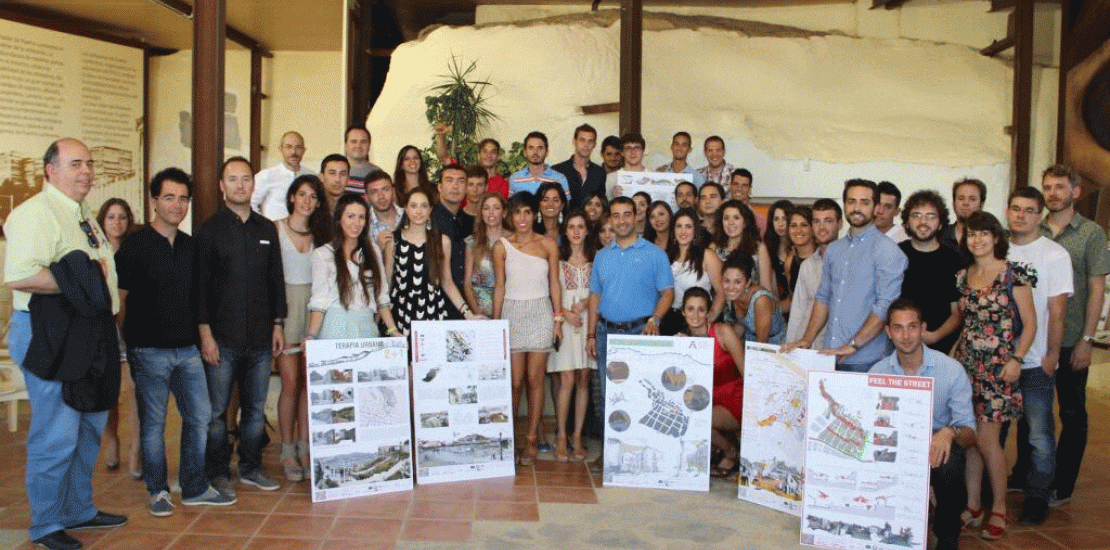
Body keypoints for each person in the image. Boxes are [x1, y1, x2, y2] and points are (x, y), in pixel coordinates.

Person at [4, 138, 128, 550]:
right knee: (56, 433)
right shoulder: (34, 213)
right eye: (76, 164)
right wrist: (84, 283)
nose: (87, 171)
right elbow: (20, 275)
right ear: (50, 170)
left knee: (90, 425)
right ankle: (45, 523)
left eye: (90, 164)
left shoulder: (83, 214)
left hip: (90, 332)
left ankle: (78, 508)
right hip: (50, 333)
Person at [117, 168, 237, 517]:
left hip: (187, 351)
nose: (177, 204)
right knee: (153, 425)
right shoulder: (134, 247)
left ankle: (194, 485)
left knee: (199, 417)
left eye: (183, 198)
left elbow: (200, 298)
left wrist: (204, 339)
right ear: (154, 201)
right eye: (169, 197)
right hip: (148, 351)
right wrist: (129, 347)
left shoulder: (191, 245)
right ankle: (158, 490)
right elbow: (121, 301)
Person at [197, 156, 287, 496]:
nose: (240, 185)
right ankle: (217, 471)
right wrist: (205, 334)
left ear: (254, 183)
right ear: (222, 186)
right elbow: (200, 289)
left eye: (245, 178)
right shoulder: (208, 230)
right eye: (232, 179)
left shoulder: (266, 229)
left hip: (261, 339)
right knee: (217, 413)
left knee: (254, 409)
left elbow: (276, 280)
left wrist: (278, 324)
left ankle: (251, 467)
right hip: (222, 339)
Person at [952, 211, 1035, 541]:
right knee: (971, 440)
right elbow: (967, 322)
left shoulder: (1014, 275)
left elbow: (1030, 325)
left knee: (989, 441)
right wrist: (955, 350)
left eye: (984, 233)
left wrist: (1017, 358)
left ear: (996, 237)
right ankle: (973, 505)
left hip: (1000, 368)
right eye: (972, 234)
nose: (978, 239)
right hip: (967, 367)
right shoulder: (963, 276)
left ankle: (998, 507)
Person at [869, 299, 976, 550]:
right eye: (898, 328)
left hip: (933, 447)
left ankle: (947, 536)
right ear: (888, 332)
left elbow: (971, 434)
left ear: (923, 328)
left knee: (953, 459)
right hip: (892, 448)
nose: (906, 336)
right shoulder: (877, 372)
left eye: (913, 327)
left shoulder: (951, 370)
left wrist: (949, 432)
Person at [1039, 164, 1110, 507]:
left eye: (1060, 187)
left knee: (1071, 414)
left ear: (1075, 192)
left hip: (1071, 340)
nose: (1052, 193)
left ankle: (1062, 484)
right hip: (1036, 340)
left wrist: (1087, 339)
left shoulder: (1090, 233)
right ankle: (1031, 475)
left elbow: (1097, 289)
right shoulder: (1032, 228)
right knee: (1033, 414)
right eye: (1048, 187)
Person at [586, 197, 674, 472]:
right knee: (607, 396)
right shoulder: (602, 255)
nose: (622, 220)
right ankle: (609, 452)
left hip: (640, 333)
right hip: (605, 333)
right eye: (616, 215)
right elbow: (594, 295)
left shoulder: (654, 253)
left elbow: (668, 292)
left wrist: (655, 319)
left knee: (640, 396)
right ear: (609, 220)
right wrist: (590, 333)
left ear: (637, 217)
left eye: (627, 214)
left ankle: (641, 454)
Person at [783, 180, 907, 373]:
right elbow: (823, 298)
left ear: (875, 207)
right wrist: (807, 339)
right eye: (851, 201)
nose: (857, 208)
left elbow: (886, 306)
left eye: (864, 202)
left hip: (868, 360)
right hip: (830, 355)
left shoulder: (888, 251)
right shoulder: (834, 250)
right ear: (845, 205)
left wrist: (855, 344)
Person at [1004, 186, 1073, 525]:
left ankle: (1037, 495)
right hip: (997, 362)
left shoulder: (1054, 254)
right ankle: (993, 490)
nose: (1021, 215)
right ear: (1007, 212)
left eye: (1029, 210)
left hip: (1034, 360)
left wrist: (1052, 354)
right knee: (994, 430)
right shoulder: (995, 248)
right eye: (1016, 208)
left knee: (1039, 434)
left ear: (1040, 215)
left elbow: (1057, 311)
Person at [493, 192, 562, 466]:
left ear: (535, 214)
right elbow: (499, 286)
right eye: (517, 212)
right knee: (513, 383)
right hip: (511, 313)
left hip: (541, 314)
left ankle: (532, 440)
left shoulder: (548, 245)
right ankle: (507, 440)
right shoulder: (501, 246)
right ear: (510, 216)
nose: (522, 218)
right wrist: (497, 324)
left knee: (535, 381)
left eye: (527, 212)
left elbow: (554, 283)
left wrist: (557, 319)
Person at [273, 175, 331, 482]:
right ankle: (287, 449)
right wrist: (275, 321)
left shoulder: (323, 234)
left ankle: (307, 447)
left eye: (313, 197)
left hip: (315, 311)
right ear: (292, 197)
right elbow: (268, 280)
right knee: (291, 382)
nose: (307, 201)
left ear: (319, 203)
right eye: (302, 195)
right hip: (285, 311)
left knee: (310, 384)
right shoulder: (275, 229)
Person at [384, 187, 482, 334]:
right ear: (406, 208)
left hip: (433, 317)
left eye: (424, 206)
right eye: (413, 206)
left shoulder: (442, 241)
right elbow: (385, 285)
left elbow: (447, 282)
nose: (419, 211)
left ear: (430, 209)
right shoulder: (393, 241)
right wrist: (390, 327)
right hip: (400, 318)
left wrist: (468, 315)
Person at [306, 194, 397, 341]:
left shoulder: (372, 251)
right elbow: (319, 301)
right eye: (350, 216)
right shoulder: (323, 254)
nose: (356, 222)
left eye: (361, 217)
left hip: (367, 326)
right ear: (339, 219)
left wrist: (393, 331)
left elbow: (381, 296)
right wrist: (311, 336)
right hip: (335, 327)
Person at [678, 286, 746, 477]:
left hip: (734, 396)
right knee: (685, 414)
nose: (696, 315)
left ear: (708, 313)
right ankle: (723, 447)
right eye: (690, 309)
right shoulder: (682, 339)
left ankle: (731, 451)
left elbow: (746, 372)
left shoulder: (723, 332)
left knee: (697, 418)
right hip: (707, 399)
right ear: (683, 312)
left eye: (701, 309)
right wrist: (678, 351)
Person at [547, 210, 598, 462]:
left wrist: (587, 303)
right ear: (565, 231)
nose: (576, 231)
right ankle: (561, 435)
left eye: (581, 226)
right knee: (566, 378)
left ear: (587, 230)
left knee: (584, 377)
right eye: (571, 226)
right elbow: (548, 294)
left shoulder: (596, 261)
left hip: (589, 323)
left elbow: (601, 292)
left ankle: (577, 436)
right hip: (564, 323)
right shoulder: (557, 261)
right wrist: (564, 312)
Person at [96, 198, 141, 479]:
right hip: (103, 327)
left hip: (133, 325)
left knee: (135, 389)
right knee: (108, 390)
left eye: (122, 217)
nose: (117, 222)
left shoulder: (136, 250)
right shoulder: (92, 251)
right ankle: (111, 439)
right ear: (102, 221)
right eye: (111, 216)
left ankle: (137, 448)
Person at [896, 190, 962, 355]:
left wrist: (934, 336)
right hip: (900, 348)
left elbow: (958, 312)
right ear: (906, 222)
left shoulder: (953, 259)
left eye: (931, 216)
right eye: (916, 215)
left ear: (941, 223)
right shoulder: (895, 254)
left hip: (941, 349)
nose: (923, 221)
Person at [785, 199, 840, 344]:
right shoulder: (807, 266)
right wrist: (791, 345)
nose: (821, 227)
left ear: (840, 224)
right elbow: (798, 311)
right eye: (816, 221)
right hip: (811, 348)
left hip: (842, 349)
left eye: (828, 221)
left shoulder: (851, 261)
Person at [664, 208, 724, 335]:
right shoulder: (665, 257)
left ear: (695, 230)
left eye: (688, 226)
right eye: (679, 226)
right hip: (670, 320)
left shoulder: (707, 255)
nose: (683, 231)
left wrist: (710, 316)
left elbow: (721, 291)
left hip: (699, 320)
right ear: (673, 231)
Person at [433, 164, 475, 294]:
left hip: (463, 297)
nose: (455, 186)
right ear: (440, 187)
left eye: (461, 181)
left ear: (466, 188)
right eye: (449, 180)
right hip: (434, 299)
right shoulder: (428, 219)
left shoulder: (470, 222)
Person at [713, 200, 773, 292]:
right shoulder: (714, 248)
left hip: (750, 302)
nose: (730, 222)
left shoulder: (758, 248)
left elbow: (766, 288)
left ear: (745, 223)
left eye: (736, 218)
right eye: (726, 218)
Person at [464, 193, 508, 317]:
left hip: (508, 308)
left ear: (504, 213)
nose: (491, 212)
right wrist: (477, 314)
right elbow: (467, 284)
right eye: (486, 208)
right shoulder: (472, 242)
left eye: (496, 208)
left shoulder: (513, 240)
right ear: (481, 213)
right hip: (480, 309)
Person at [252, 131, 314, 220]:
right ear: (281, 149)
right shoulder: (266, 176)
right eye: (289, 147)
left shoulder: (311, 176)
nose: (293, 152)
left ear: (304, 150)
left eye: (298, 147)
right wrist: (263, 225)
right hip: (274, 232)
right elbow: (250, 203)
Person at [724, 255, 785, 344]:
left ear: (748, 283)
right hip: (751, 344)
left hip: (775, 347)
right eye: (727, 281)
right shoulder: (735, 296)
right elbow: (741, 326)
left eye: (737, 282)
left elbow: (762, 342)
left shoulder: (761, 300)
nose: (731, 287)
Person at [552, 124, 606, 209]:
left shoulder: (599, 173)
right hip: (565, 221)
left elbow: (601, 204)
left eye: (590, 141)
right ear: (574, 141)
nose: (586, 144)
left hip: (590, 221)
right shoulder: (557, 171)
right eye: (582, 140)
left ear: (594, 145)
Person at [510, 131, 570, 197]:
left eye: (540, 148)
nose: (535, 152)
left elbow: (565, 206)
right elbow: (511, 206)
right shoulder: (515, 179)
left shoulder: (559, 179)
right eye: (531, 148)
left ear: (547, 152)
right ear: (524, 152)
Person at [940, 178, 985, 252]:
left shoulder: (989, 238)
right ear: (953, 204)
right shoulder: (940, 236)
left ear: (981, 204)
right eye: (961, 198)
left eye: (972, 199)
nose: (966, 203)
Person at [764, 199, 793, 311]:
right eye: (776, 219)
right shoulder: (767, 249)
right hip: (774, 307)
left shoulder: (799, 248)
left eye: (784, 219)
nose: (780, 224)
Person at [365, 169, 403, 251]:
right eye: (374, 192)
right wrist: (377, 250)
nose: (381, 196)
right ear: (367, 196)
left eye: (385, 190)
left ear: (393, 190)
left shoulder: (409, 216)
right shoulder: (363, 225)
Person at [783, 206, 815, 298]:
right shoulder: (789, 262)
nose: (798, 230)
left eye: (804, 225)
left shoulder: (823, 258)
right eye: (793, 226)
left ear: (813, 228)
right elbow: (793, 299)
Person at [604, 133, 650, 199]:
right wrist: (613, 197)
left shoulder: (653, 176)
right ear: (622, 152)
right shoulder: (610, 179)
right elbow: (605, 207)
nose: (633, 152)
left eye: (637, 147)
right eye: (628, 148)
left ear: (643, 151)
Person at [344, 125, 383, 194]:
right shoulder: (334, 172)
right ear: (346, 146)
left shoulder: (378, 174)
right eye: (354, 141)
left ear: (369, 146)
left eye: (363, 142)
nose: (358, 146)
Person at [728, 169, 766, 236]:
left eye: (744, 185)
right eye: (736, 184)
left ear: (750, 189)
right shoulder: (721, 216)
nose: (739, 189)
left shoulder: (760, 222)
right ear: (730, 186)